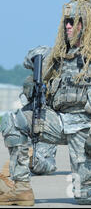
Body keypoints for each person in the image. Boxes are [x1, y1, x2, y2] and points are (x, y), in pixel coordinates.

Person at [0, 0, 91, 206]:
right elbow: (30, 58)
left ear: (87, 24)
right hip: (59, 122)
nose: (68, 26)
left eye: (73, 21)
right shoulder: (59, 55)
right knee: (11, 121)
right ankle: (21, 189)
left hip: (87, 130)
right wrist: (33, 78)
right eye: (66, 21)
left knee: (86, 195)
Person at [2, 47, 58, 178]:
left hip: (47, 120)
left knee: (42, 164)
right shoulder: (46, 53)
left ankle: (29, 160)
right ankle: (22, 161)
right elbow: (28, 59)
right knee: (12, 123)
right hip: (31, 115)